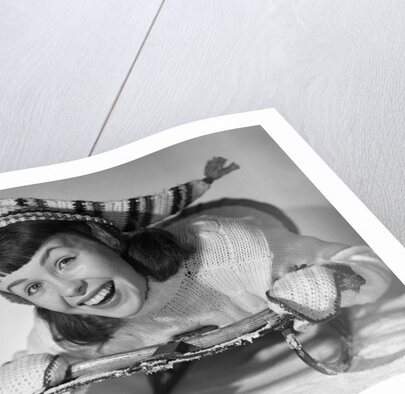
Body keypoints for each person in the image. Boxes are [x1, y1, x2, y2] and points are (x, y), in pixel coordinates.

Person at [0, 157, 393, 394]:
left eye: (64, 261)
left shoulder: (229, 254)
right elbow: (34, 362)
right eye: (34, 287)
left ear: (104, 236)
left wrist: (331, 279)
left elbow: (371, 263)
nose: (69, 290)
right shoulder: (64, 328)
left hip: (244, 224)